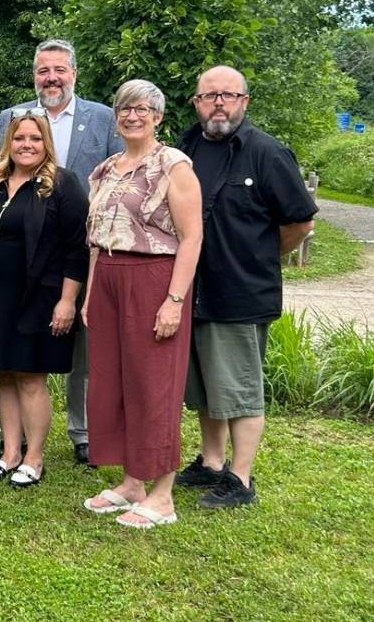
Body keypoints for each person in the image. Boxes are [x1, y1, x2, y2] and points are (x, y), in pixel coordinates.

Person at [174, 66, 316, 508]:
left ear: (244, 101)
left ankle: (241, 477)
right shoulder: (187, 147)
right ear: (197, 103)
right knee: (205, 387)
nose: (218, 103)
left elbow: (299, 221)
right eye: (209, 96)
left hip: (240, 292)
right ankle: (212, 461)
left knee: (239, 389)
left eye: (227, 95)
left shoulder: (267, 153)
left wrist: (257, 256)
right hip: (192, 289)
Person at [0, 39, 122, 465]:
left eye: (59, 70)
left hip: (81, 250)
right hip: (18, 256)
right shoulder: (12, 117)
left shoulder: (103, 118)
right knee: (18, 356)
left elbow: (119, 179)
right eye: (44, 70)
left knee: (81, 346)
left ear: (74, 73)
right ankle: (16, 442)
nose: (52, 77)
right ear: (34, 76)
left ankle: (81, 431)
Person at [81, 79, 202, 528]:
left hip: (153, 279)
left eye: (142, 109)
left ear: (158, 116)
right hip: (109, 277)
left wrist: (174, 300)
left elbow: (191, 238)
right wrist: (92, 294)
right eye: (124, 108)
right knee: (114, 383)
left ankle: (163, 494)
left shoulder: (174, 165)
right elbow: (95, 241)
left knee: (154, 384)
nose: (132, 115)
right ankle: (131, 483)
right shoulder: (108, 168)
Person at [0, 110, 89, 487]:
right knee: (5, 372)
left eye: (34, 139)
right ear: (9, 142)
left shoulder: (62, 185)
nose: (26, 145)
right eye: (20, 138)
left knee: (30, 376)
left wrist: (67, 300)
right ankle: (9, 453)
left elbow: (77, 248)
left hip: (39, 296)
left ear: (46, 144)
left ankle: (34, 458)